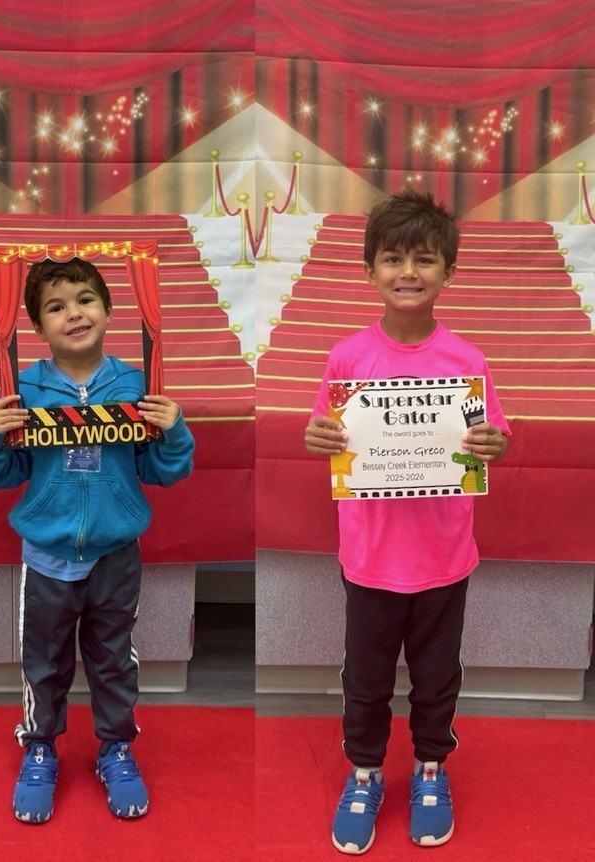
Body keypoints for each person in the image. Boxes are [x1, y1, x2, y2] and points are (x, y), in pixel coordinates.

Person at [304, 190, 509, 854]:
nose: (408, 272)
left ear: (448, 271)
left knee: (437, 677)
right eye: (393, 258)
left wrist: (493, 445)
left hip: (445, 559)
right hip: (369, 561)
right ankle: (364, 773)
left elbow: (492, 437)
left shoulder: (467, 362)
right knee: (365, 681)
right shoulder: (347, 358)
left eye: (424, 259)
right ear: (370, 271)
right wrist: (318, 437)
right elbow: (327, 432)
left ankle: (429, 770)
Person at [0, 256, 194, 824]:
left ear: (109, 311)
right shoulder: (23, 391)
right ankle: (40, 746)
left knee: (113, 659)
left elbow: (163, 470)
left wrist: (173, 431)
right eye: (56, 306)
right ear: (36, 327)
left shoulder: (138, 386)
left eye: (86, 300)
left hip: (116, 555)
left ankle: (116, 747)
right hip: (47, 557)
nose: (74, 313)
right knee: (43, 662)